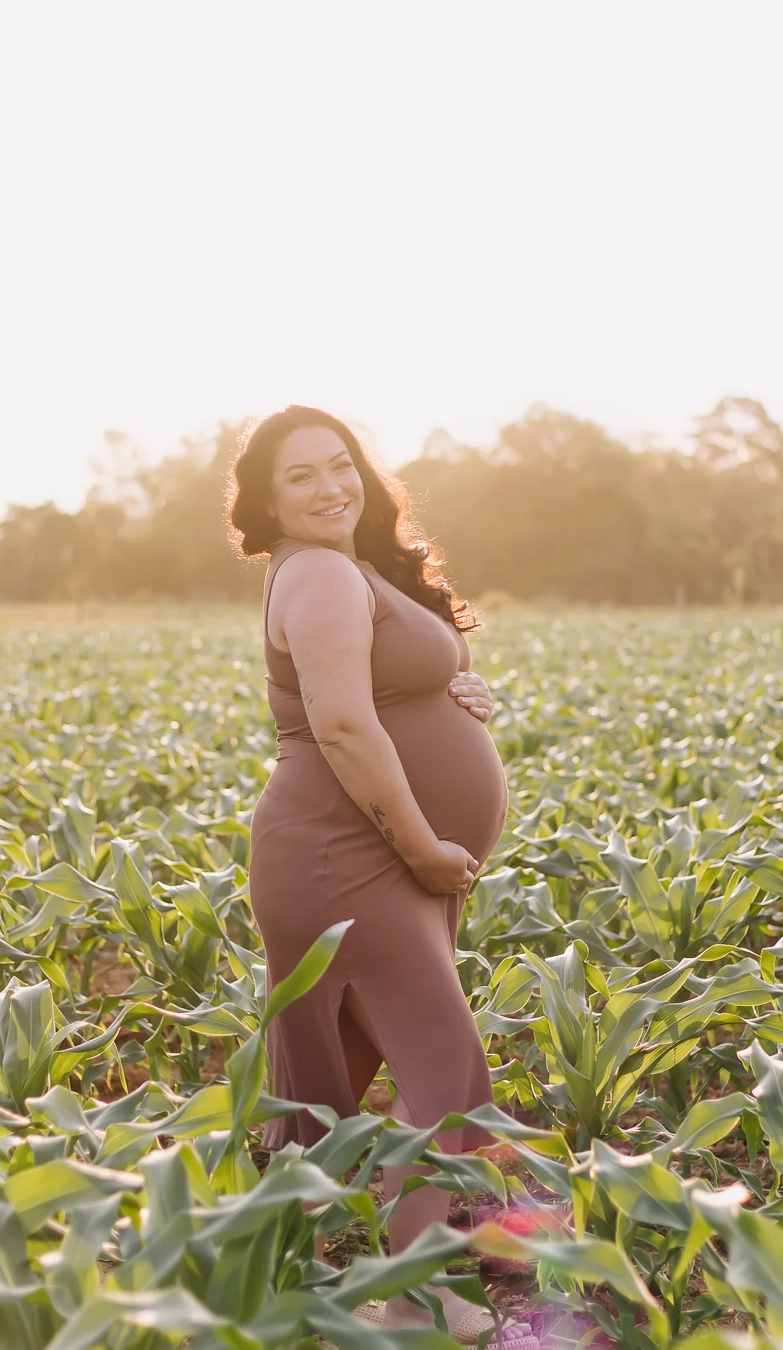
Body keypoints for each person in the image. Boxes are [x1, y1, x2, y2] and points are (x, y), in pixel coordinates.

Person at [227, 405, 517, 1340]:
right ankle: (412, 1298)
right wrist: (424, 845)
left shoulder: (345, 571)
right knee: (441, 1064)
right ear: (268, 504)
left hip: (364, 857)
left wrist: (454, 690)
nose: (330, 488)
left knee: (327, 1089)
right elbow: (345, 725)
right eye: (300, 477)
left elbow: (388, 692)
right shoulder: (312, 571)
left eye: (339, 465)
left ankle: (243, 1269)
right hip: (347, 853)